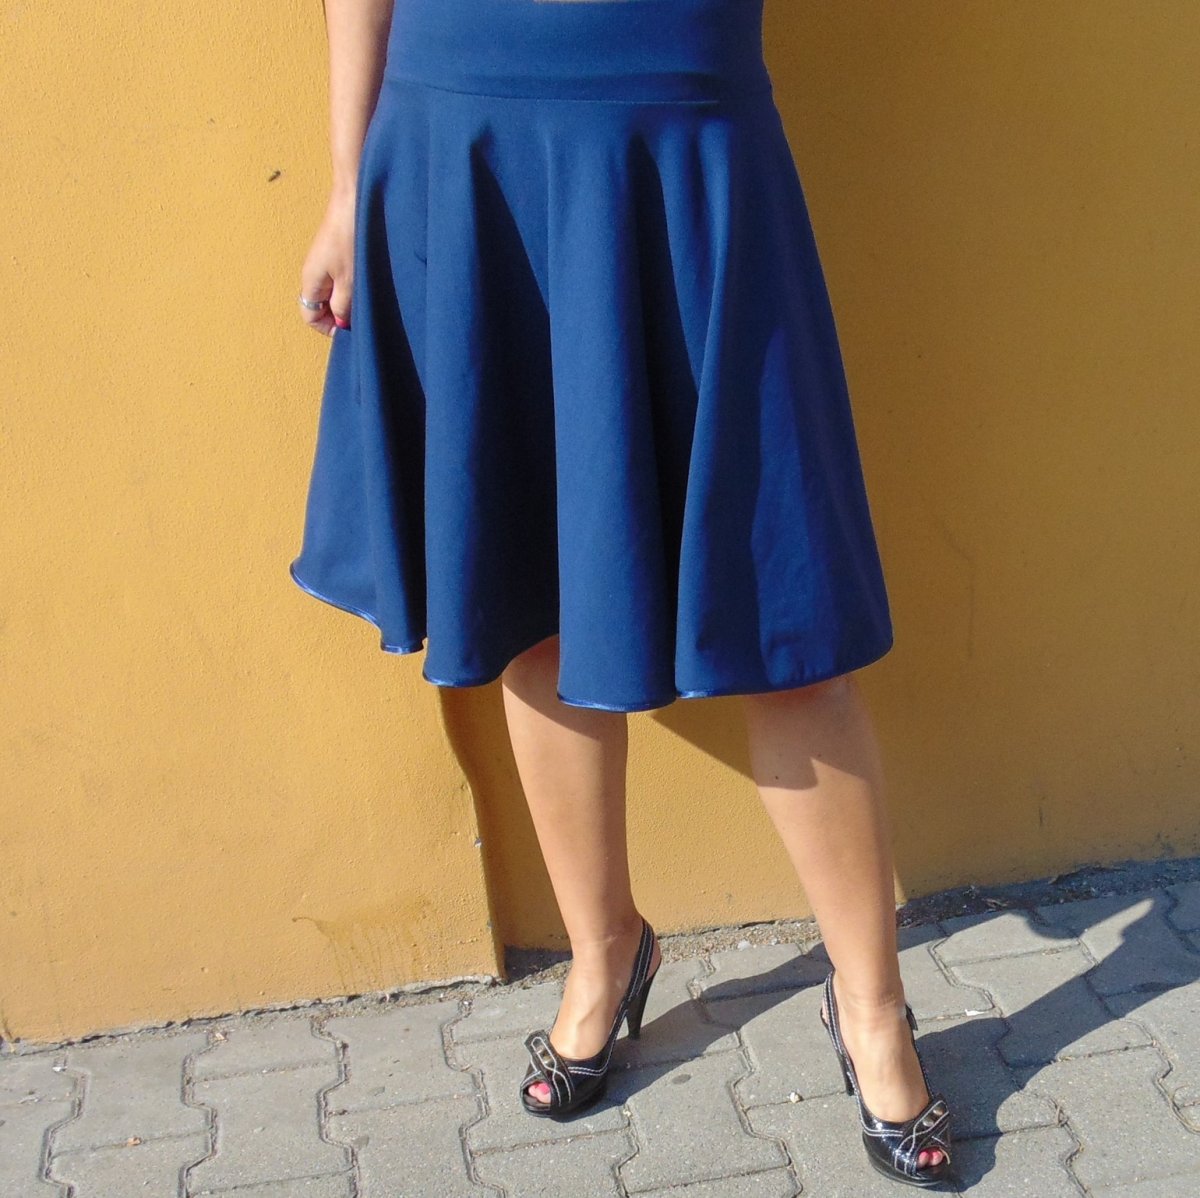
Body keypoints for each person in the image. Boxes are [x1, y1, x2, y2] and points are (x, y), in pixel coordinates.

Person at [292, 0, 951, 1186]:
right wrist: (346, 188)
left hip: (680, 129)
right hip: (465, 137)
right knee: (524, 596)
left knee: (784, 622)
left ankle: (872, 1008)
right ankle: (605, 953)